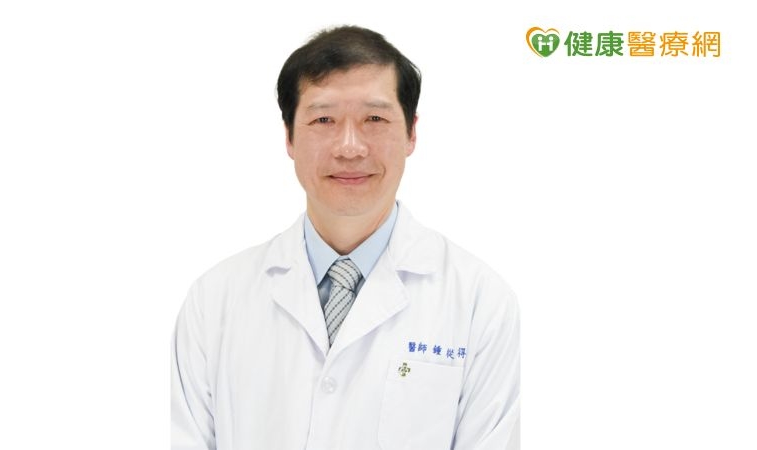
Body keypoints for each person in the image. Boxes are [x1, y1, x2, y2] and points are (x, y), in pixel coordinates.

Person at [171, 25, 520, 450]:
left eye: (375, 119)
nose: (350, 147)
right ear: (289, 137)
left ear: (411, 133)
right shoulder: (215, 301)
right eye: (324, 120)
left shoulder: (480, 303)